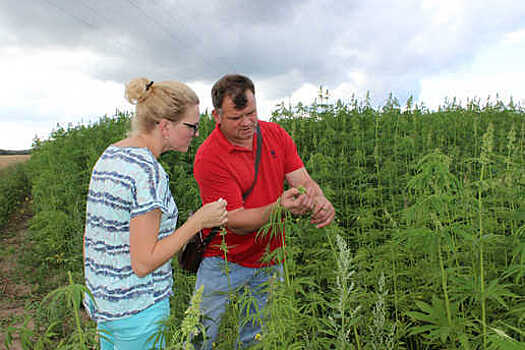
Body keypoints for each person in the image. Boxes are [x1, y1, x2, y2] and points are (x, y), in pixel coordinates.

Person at [83, 77, 228, 349]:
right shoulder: (148, 173)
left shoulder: (111, 155)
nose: (197, 133)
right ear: (164, 126)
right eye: (192, 126)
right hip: (139, 311)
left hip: (107, 308)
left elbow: (92, 236)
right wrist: (197, 222)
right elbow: (144, 263)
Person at [193, 74, 335, 348]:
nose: (247, 123)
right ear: (216, 116)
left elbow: (302, 180)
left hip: (270, 256)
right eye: (237, 118)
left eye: (252, 113)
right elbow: (234, 221)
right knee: (199, 335)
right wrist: (280, 207)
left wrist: (319, 201)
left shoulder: (275, 135)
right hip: (222, 259)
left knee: (256, 339)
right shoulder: (209, 157)